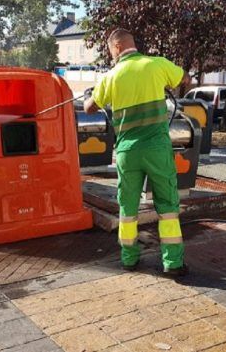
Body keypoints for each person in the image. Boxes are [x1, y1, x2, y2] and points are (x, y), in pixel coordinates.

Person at [84, 28, 191, 276]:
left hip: (127, 153)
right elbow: (184, 78)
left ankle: (129, 259)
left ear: (117, 48)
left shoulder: (110, 77)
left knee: (128, 209)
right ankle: (173, 264)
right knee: (167, 206)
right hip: (157, 150)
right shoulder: (157, 65)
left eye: (110, 51)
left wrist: (94, 92)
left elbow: (89, 108)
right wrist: (174, 82)